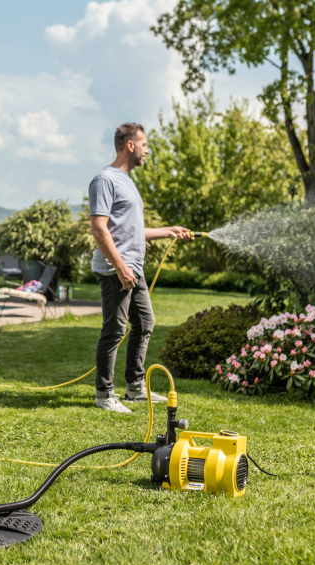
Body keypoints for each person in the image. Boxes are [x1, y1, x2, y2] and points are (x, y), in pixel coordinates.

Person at [88, 122, 193, 414]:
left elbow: (132, 230)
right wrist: (120, 267)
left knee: (145, 323)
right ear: (130, 145)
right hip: (116, 269)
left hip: (133, 268)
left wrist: (168, 231)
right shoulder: (105, 180)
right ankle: (104, 394)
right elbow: (99, 229)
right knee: (114, 330)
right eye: (144, 144)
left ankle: (135, 387)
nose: (147, 150)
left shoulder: (128, 181)